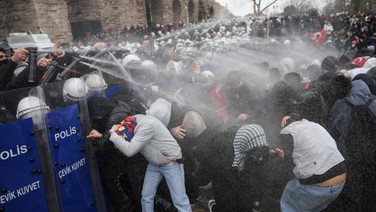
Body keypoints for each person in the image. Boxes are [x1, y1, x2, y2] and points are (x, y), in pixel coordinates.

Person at [87, 114, 191, 212]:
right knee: (146, 197)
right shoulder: (132, 123)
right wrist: (102, 135)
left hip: (170, 162)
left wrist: (113, 134)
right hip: (155, 163)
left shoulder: (146, 127)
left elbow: (129, 150)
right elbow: (121, 139)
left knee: (180, 201)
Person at [278, 113, 346, 212]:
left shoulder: (287, 133)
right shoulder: (314, 125)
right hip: (340, 180)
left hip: (317, 186)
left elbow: (288, 163)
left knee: (289, 202)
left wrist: (280, 157)